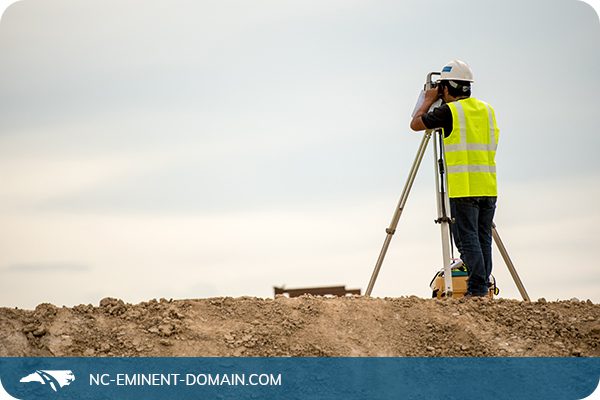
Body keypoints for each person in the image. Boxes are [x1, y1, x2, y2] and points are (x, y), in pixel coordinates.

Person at [410, 60, 500, 297]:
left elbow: (415, 124)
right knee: (483, 239)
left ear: (447, 88)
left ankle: (478, 289)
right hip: (488, 185)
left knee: (466, 239)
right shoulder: (487, 110)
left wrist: (428, 100)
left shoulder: (451, 112)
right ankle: (483, 286)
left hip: (463, 187)